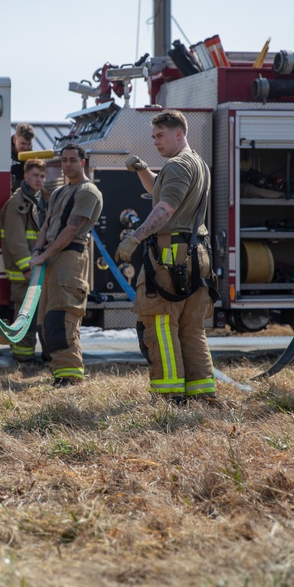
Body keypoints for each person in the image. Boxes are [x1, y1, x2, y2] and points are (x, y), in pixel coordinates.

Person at [115, 109, 217, 403]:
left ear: (178, 133)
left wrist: (135, 237)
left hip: (170, 256)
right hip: (197, 255)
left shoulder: (177, 166)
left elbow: (165, 209)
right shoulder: (197, 163)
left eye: (160, 136)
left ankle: (170, 397)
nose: (156, 142)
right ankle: (201, 396)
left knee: (160, 325)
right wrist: (143, 171)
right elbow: (164, 192)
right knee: (191, 328)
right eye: (153, 136)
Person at [29, 144, 103, 386]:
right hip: (52, 258)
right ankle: (59, 374)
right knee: (46, 322)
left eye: (73, 160)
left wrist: (43, 255)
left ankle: (70, 378)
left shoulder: (88, 191)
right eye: (64, 160)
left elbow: (71, 230)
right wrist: (38, 251)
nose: (68, 164)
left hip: (70, 258)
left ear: (83, 162)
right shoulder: (60, 192)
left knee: (62, 319)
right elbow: (46, 225)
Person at [0, 158, 47, 362]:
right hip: (24, 272)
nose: (39, 180)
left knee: (42, 316)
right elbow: (15, 240)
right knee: (26, 317)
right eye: (35, 175)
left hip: (37, 269)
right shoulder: (17, 203)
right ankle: (22, 360)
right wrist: (27, 268)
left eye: (42, 176)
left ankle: (46, 357)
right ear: (25, 176)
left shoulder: (40, 199)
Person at [10, 122, 36, 192]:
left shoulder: (32, 158)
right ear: (14, 139)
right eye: (23, 143)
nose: (26, 148)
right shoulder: (3, 153)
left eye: (29, 144)